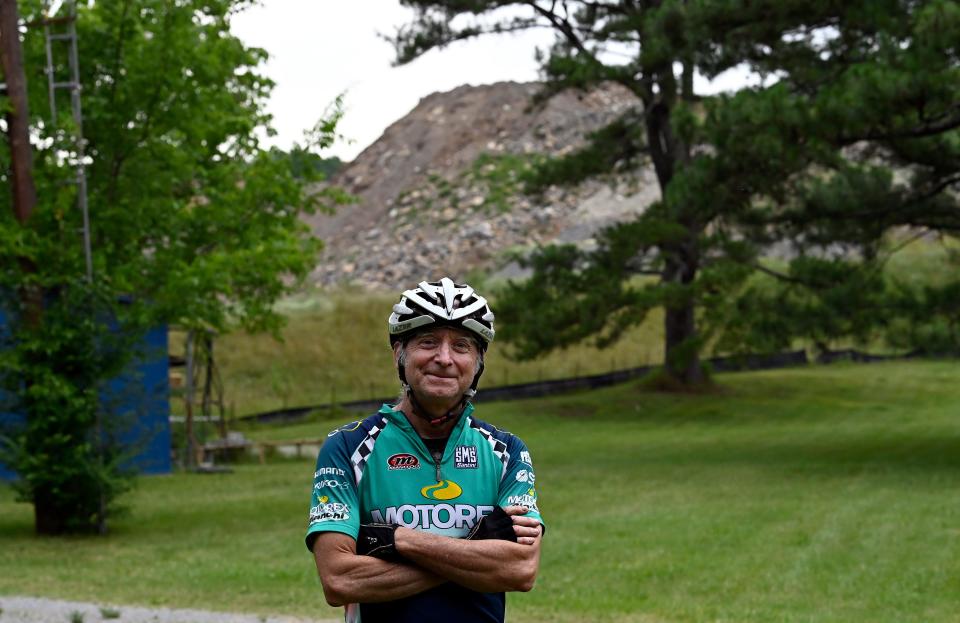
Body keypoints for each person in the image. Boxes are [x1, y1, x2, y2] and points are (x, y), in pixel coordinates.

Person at [305, 277, 544, 623]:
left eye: (462, 346)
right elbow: (340, 579)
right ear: (399, 354)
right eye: (428, 342)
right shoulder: (347, 447)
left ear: (478, 363)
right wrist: (475, 548)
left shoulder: (506, 452)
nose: (444, 358)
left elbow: (520, 570)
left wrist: (397, 540)